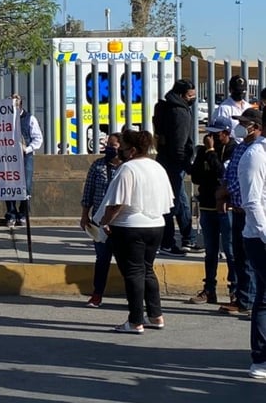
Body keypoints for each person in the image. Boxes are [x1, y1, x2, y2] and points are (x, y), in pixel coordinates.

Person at [94, 130, 174, 334]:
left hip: (130, 227)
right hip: (156, 224)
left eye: (123, 146)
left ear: (133, 150)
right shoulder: (157, 167)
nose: (118, 149)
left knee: (133, 273)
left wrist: (105, 222)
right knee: (147, 270)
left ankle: (135, 320)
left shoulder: (128, 169)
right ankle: (156, 315)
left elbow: (118, 202)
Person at [188, 115, 236, 305]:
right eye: (210, 134)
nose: (211, 137)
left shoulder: (233, 150)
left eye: (216, 134)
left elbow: (222, 174)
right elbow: (196, 177)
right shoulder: (203, 151)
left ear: (226, 133)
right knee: (210, 251)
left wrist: (211, 152)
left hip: (226, 207)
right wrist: (207, 153)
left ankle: (235, 289)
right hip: (207, 205)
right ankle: (209, 289)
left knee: (231, 250)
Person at [218, 108, 261, 316]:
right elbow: (230, 173)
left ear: (256, 127)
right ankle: (243, 296)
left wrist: (225, 191)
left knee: (247, 259)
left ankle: (248, 300)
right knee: (238, 256)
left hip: (248, 211)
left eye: (245, 123)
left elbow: (245, 183)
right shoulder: (242, 147)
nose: (241, 127)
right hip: (236, 208)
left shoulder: (256, 151)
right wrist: (223, 192)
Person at [235, 112, 266, 379]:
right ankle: (261, 359)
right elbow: (252, 201)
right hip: (260, 237)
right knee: (265, 298)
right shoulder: (256, 155)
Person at [154, 79, 200, 255]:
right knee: (171, 205)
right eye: (190, 95)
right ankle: (167, 242)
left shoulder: (167, 107)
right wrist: (187, 165)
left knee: (181, 203)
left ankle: (188, 239)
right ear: (182, 95)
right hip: (175, 164)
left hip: (167, 160)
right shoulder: (180, 112)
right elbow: (180, 143)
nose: (193, 99)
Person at [79, 132, 123, 308]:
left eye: (114, 145)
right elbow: (88, 192)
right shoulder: (98, 166)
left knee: (126, 262)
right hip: (99, 221)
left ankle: (134, 297)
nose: (110, 148)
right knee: (102, 259)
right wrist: (84, 216)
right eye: (108, 145)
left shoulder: (126, 168)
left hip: (120, 222)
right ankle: (97, 295)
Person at [5, 93, 43, 227]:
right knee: (9, 185)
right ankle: (11, 213)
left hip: (25, 156)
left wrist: (27, 148)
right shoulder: (4, 118)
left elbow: (38, 138)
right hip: (8, 157)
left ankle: (23, 213)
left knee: (26, 186)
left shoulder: (29, 118)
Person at [211, 75, 250, 143]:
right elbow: (220, 131)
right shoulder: (224, 108)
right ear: (230, 89)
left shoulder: (248, 106)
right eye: (237, 91)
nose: (240, 94)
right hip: (232, 147)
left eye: (242, 91)